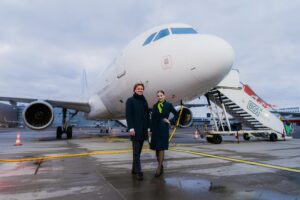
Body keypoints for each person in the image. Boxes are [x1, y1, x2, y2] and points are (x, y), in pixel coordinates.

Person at [150, 90, 178, 177]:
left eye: (161, 95)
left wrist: (170, 121)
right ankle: (161, 165)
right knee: (156, 149)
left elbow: (176, 114)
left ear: (164, 96)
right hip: (155, 128)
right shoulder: (154, 106)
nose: (159, 97)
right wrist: (150, 130)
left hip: (163, 127)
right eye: (158, 96)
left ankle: (159, 167)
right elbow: (152, 118)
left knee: (161, 147)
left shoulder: (168, 105)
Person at [126, 83, 150, 180]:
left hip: (143, 130)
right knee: (136, 152)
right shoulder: (130, 101)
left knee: (138, 152)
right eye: (138, 88)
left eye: (141, 89)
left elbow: (147, 116)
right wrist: (131, 127)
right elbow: (129, 115)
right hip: (135, 130)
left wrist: (148, 128)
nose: (140, 90)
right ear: (134, 90)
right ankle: (139, 171)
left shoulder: (144, 101)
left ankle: (133, 169)